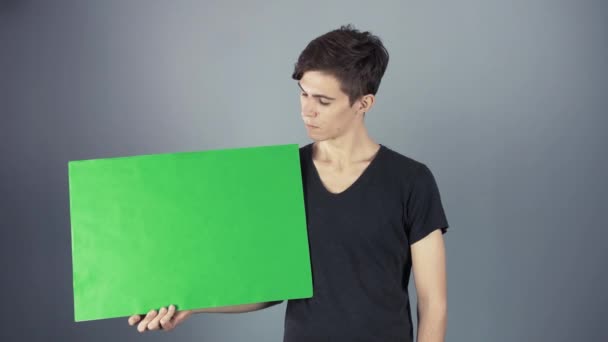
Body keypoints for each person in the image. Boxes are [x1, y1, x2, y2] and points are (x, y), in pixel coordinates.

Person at [128, 24, 450, 342]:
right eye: (303, 94)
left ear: (363, 104)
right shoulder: (285, 176)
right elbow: (270, 289)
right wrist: (193, 304)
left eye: (323, 101)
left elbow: (433, 303)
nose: (307, 110)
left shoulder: (411, 181)